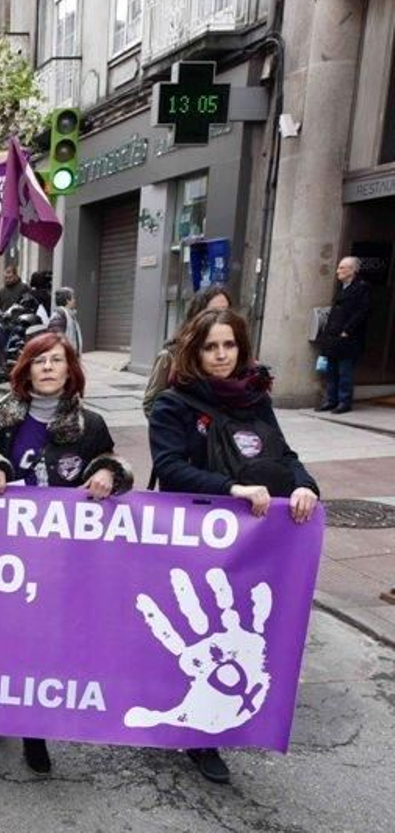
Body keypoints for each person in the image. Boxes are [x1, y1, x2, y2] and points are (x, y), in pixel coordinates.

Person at [148, 308, 319, 785]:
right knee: (198, 632)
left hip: (253, 539)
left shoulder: (255, 399)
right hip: (198, 535)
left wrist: (305, 486)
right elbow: (170, 467)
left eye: (229, 346)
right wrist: (230, 489)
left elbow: (283, 455)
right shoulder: (174, 404)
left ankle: (220, 719)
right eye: (210, 347)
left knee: (239, 630)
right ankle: (199, 736)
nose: (221, 356)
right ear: (194, 351)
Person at [0, 333, 133, 775]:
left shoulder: (90, 425)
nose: (47, 368)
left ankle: (34, 728)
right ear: (26, 369)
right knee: (4, 638)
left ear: (69, 370)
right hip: (8, 554)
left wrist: (107, 475)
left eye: (56, 361)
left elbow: (114, 466)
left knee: (44, 644)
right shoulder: (0, 418)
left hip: (63, 559)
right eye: (38, 360)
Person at [141, 285, 234, 418]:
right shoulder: (171, 355)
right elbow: (151, 404)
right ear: (198, 314)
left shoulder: (233, 353)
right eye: (213, 312)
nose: (221, 318)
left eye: (226, 311)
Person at [318, 256, 370, 414]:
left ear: (353, 270)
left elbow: (363, 311)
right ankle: (330, 400)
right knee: (331, 370)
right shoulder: (341, 288)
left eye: (342, 268)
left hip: (348, 338)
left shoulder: (361, 287)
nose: (338, 271)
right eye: (339, 267)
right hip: (333, 337)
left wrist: (347, 330)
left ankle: (344, 402)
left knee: (344, 371)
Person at [49, 286, 83, 353]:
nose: (74, 300)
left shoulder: (69, 314)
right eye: (73, 298)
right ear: (67, 300)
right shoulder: (59, 315)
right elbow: (56, 339)